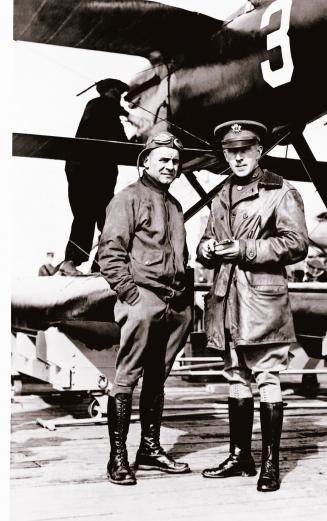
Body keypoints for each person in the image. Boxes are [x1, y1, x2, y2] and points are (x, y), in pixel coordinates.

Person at [197, 120, 309, 492]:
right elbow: (206, 240)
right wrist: (206, 249)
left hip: (261, 300)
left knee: (267, 377)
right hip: (226, 299)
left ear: (260, 150)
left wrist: (245, 249)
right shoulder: (221, 194)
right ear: (225, 155)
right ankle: (240, 456)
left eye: (246, 149)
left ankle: (271, 464)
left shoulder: (280, 191)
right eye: (232, 151)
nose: (239, 157)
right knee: (235, 376)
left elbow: (296, 244)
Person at [98, 131, 192, 485]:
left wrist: (184, 302)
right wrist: (131, 295)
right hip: (143, 298)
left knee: (158, 377)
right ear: (146, 162)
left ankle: (149, 449)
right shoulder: (127, 199)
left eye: (175, 161)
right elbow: (110, 252)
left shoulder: (175, 205)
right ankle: (118, 457)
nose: (170, 166)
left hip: (175, 303)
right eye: (163, 160)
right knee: (126, 378)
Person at [58, 78, 130, 276]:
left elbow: (123, 144)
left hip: (100, 175)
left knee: (108, 220)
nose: (119, 97)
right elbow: (112, 124)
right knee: (85, 216)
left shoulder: (109, 115)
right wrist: (130, 115)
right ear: (106, 91)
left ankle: (102, 264)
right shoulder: (97, 105)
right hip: (86, 172)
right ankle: (70, 261)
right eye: (116, 92)